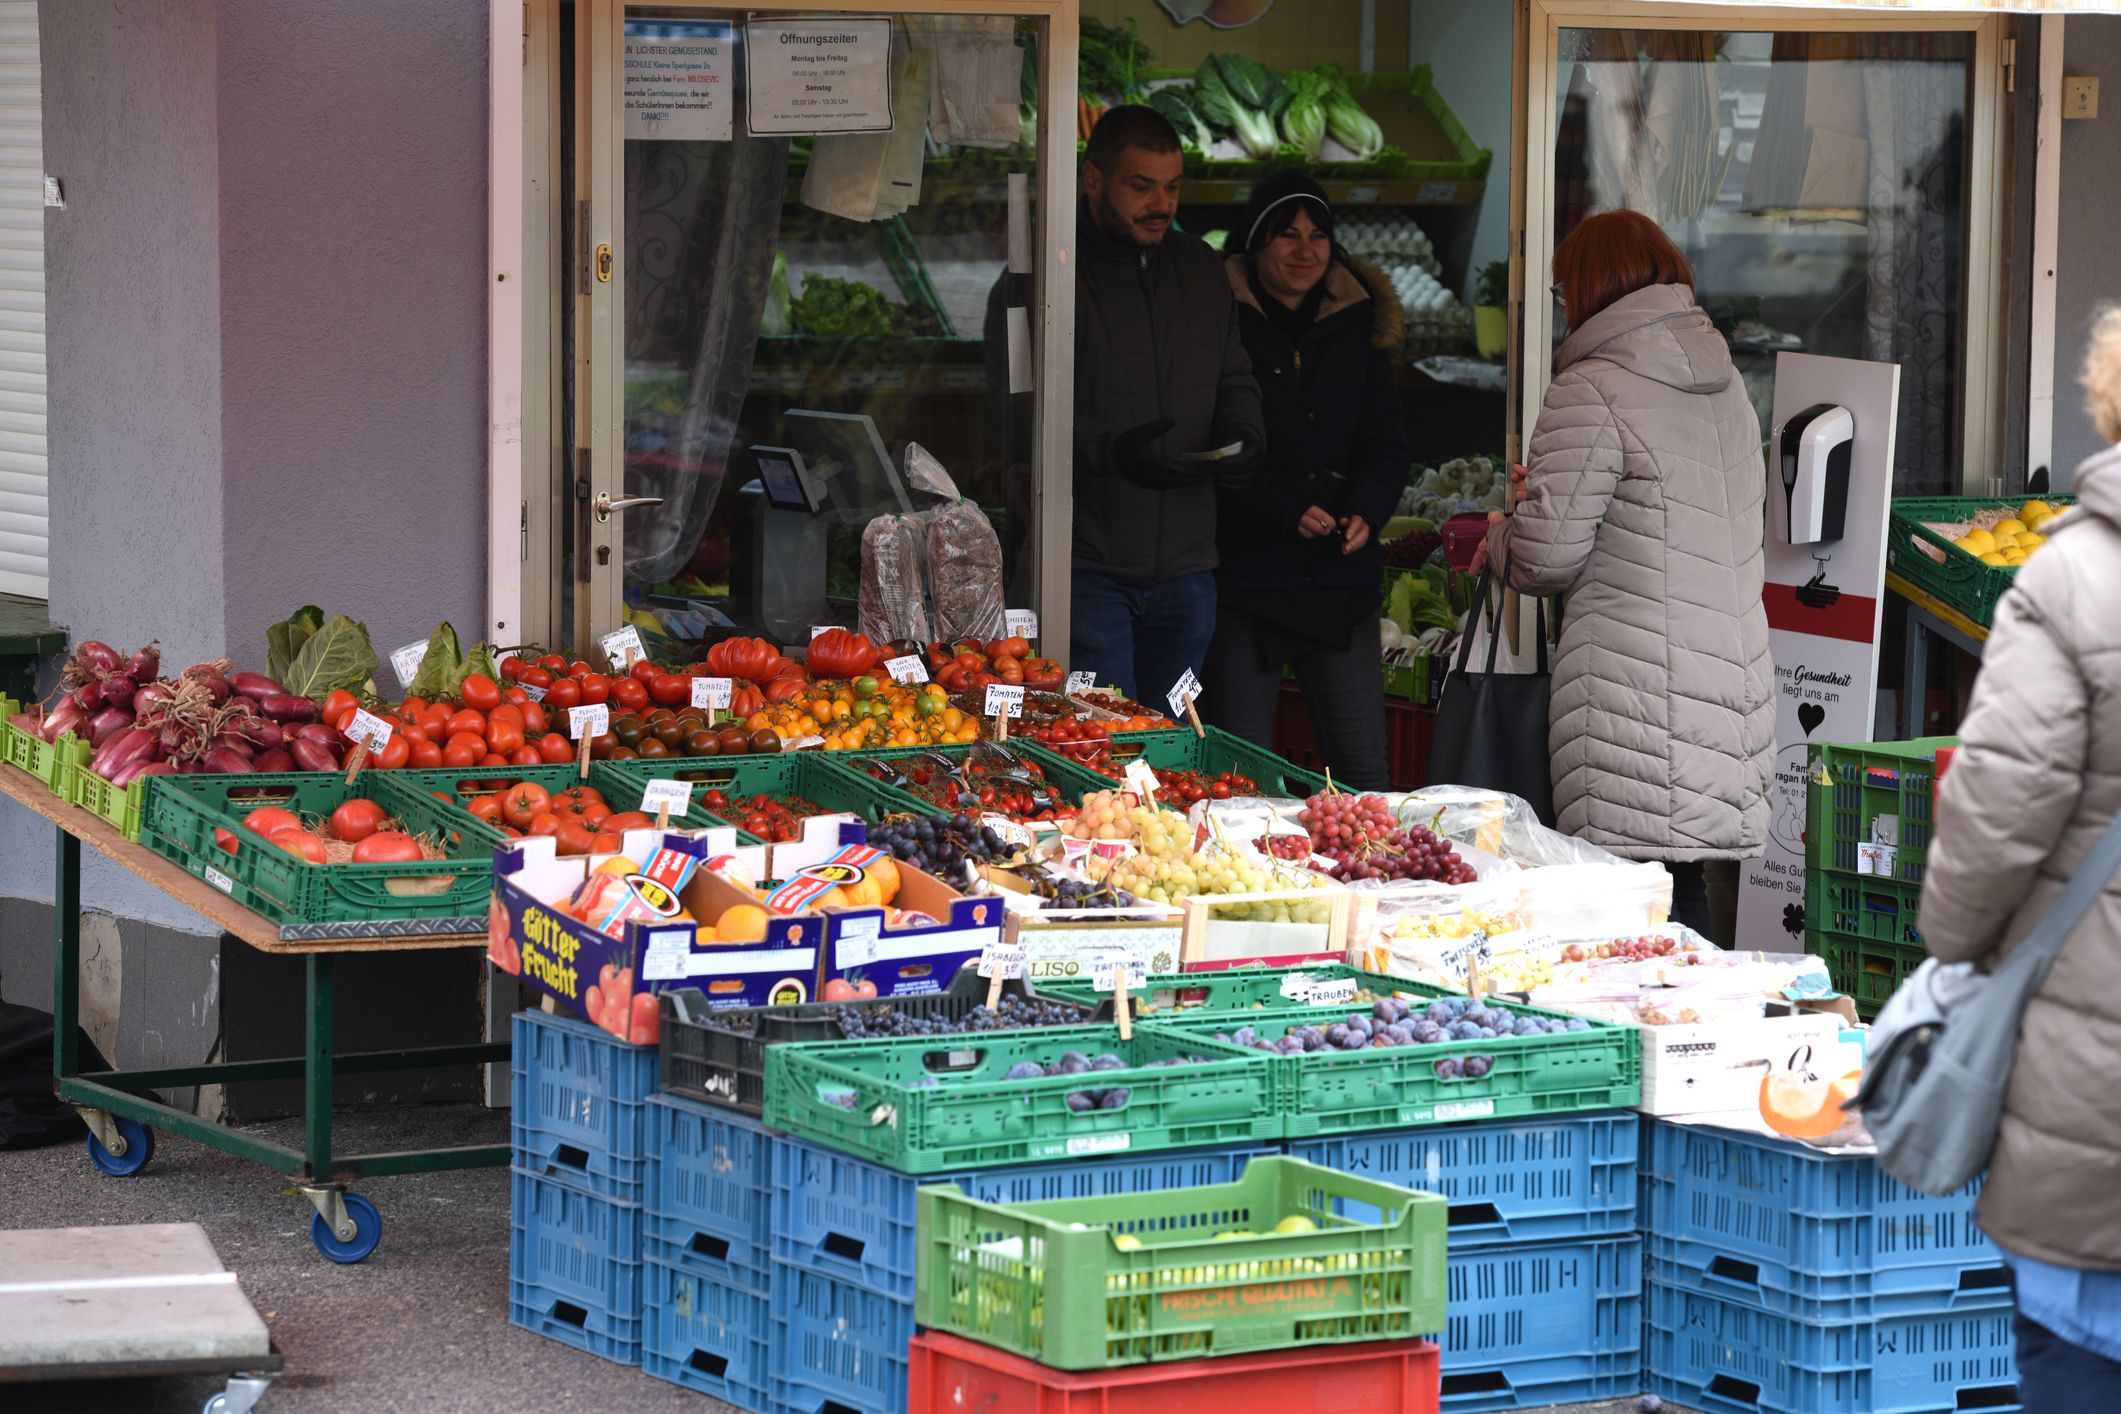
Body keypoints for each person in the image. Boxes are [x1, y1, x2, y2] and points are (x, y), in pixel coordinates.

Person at [1917, 309, 2121, 1409]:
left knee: (2079, 1357)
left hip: (2094, 1079)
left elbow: (1996, 810)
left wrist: (1953, 944)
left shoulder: (2071, 577)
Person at [1477, 209, 1771, 938]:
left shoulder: (1592, 388)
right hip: (1726, 681)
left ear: (1585, 288)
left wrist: (1500, 532)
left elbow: (1545, 557)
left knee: (1622, 909)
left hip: (1632, 691)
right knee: (1680, 892)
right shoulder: (1723, 378)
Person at [1201, 173, 1408, 789]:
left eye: (1318, 235)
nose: (1304, 249)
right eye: (1286, 234)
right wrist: (1282, 505)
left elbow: (1388, 444)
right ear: (1256, 242)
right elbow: (1212, 446)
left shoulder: (1358, 323)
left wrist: (1368, 507)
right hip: (1248, 582)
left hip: (1339, 582)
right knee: (1243, 782)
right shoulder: (1217, 320)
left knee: (1364, 776)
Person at [1072, 105, 1263, 704]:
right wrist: (1112, 452)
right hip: (1086, 569)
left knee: (1173, 751)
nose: (1162, 204)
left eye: (1173, 187)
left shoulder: (1202, 269)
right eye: (1141, 186)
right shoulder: (1050, 272)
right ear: (1093, 180)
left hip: (1187, 572)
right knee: (1102, 751)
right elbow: (1013, 413)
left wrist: (1246, 432)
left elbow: (1235, 373)